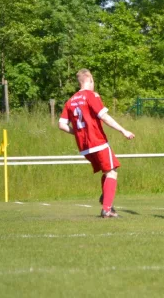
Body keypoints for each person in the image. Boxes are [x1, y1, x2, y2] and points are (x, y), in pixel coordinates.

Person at [58, 69, 135, 218]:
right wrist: (123, 130)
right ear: (90, 80)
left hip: (84, 147)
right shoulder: (91, 96)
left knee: (107, 171)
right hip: (97, 141)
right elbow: (104, 117)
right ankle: (107, 208)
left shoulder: (70, 100)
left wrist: (78, 133)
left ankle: (106, 200)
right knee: (112, 172)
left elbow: (61, 124)